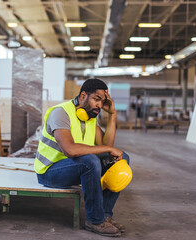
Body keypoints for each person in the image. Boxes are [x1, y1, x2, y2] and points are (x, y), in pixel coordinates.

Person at [34, 78, 130, 237]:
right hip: (50, 172)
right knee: (90, 161)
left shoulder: (90, 118)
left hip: (73, 168)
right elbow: (70, 150)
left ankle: (105, 216)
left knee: (120, 159)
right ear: (83, 95)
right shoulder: (61, 113)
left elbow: (107, 147)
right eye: (96, 99)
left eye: (102, 101)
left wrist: (112, 115)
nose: (99, 105)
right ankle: (94, 220)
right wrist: (108, 148)